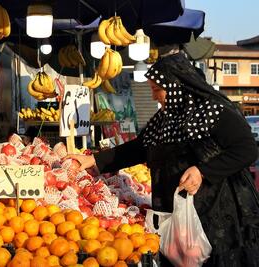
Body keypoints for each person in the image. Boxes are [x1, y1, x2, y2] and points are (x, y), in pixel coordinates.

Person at [67, 52, 259, 266]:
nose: (153, 96)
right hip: (178, 214)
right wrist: (94, 160)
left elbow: (246, 149)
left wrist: (203, 171)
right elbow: (139, 148)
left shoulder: (212, 111)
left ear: (177, 86)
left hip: (217, 215)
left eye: (157, 89)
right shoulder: (164, 119)